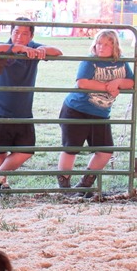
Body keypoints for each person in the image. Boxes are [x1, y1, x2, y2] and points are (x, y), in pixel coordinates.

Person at [0, 17, 63, 190]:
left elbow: (58, 52)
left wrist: (43, 49)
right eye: (16, 32)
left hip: (23, 109)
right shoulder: (4, 47)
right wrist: (15, 48)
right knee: (0, 150)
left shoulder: (33, 48)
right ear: (10, 33)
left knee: (26, 150)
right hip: (0, 107)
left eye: (24, 33)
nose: (19, 36)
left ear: (31, 36)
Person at [57, 29, 134, 196]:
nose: (102, 47)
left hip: (101, 113)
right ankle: (64, 188)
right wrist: (110, 87)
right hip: (77, 109)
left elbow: (131, 81)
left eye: (107, 44)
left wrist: (119, 81)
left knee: (105, 151)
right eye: (99, 43)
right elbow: (82, 83)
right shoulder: (90, 61)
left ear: (115, 46)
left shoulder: (121, 62)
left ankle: (85, 185)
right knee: (71, 148)